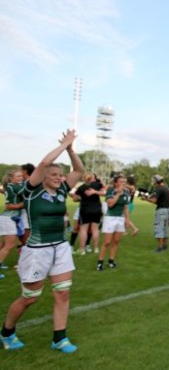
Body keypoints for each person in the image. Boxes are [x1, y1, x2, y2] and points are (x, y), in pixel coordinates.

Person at [0, 130, 83, 353]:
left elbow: (79, 170)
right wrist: (62, 145)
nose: (59, 177)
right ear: (43, 176)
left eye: (60, 175)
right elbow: (45, 162)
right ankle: (6, 332)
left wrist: (71, 150)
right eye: (54, 174)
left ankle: (60, 338)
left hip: (61, 247)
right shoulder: (31, 191)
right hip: (37, 250)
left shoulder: (63, 190)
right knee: (30, 297)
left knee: (62, 292)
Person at [97, 174, 133, 271]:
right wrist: (118, 194)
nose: (123, 183)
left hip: (120, 218)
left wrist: (127, 220)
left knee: (116, 241)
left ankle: (111, 261)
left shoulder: (126, 193)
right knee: (107, 242)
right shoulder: (111, 190)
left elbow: (125, 207)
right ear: (116, 183)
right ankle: (100, 262)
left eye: (124, 182)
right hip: (110, 218)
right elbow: (111, 204)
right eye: (121, 182)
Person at [73, 173, 105, 255]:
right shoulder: (98, 185)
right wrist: (95, 192)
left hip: (85, 209)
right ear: (93, 178)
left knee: (83, 229)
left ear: (84, 178)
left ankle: (82, 249)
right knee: (95, 229)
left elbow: (75, 198)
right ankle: (96, 248)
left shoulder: (81, 187)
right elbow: (104, 192)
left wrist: (81, 198)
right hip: (97, 209)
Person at [0, 169, 24, 277]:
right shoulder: (14, 187)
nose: (21, 178)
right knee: (9, 245)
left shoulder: (10, 187)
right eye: (18, 176)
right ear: (11, 178)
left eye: (21, 176)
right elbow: (26, 194)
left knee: (4, 244)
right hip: (9, 218)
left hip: (8, 218)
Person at [141, 175, 169, 252]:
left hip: (161, 211)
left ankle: (160, 247)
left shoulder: (159, 188)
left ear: (156, 181)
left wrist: (146, 199)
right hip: (167, 210)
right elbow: (158, 202)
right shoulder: (166, 188)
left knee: (159, 228)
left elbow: (154, 200)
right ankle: (165, 245)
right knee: (165, 228)